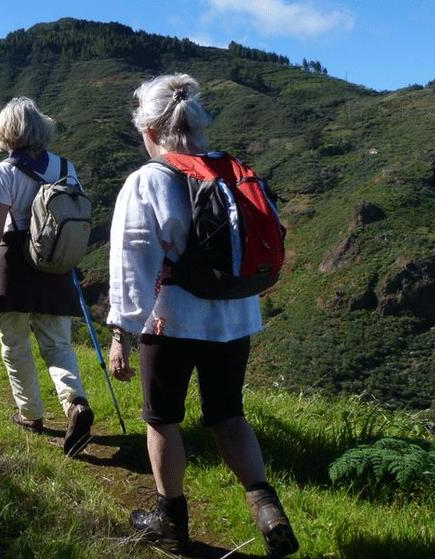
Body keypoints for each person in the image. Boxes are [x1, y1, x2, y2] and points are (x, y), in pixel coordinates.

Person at [106, 74, 299, 557]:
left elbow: (133, 260)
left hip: (171, 320)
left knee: (162, 419)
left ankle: (169, 520)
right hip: (235, 318)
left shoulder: (150, 179)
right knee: (228, 414)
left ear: (149, 128)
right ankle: (265, 503)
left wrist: (122, 332)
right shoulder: (235, 170)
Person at [0, 97, 94, 457]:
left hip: (14, 265)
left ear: (7, 132)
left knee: (15, 344)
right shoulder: (67, 168)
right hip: (54, 266)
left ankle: (30, 414)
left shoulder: (3, 172)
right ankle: (75, 403)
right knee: (58, 344)